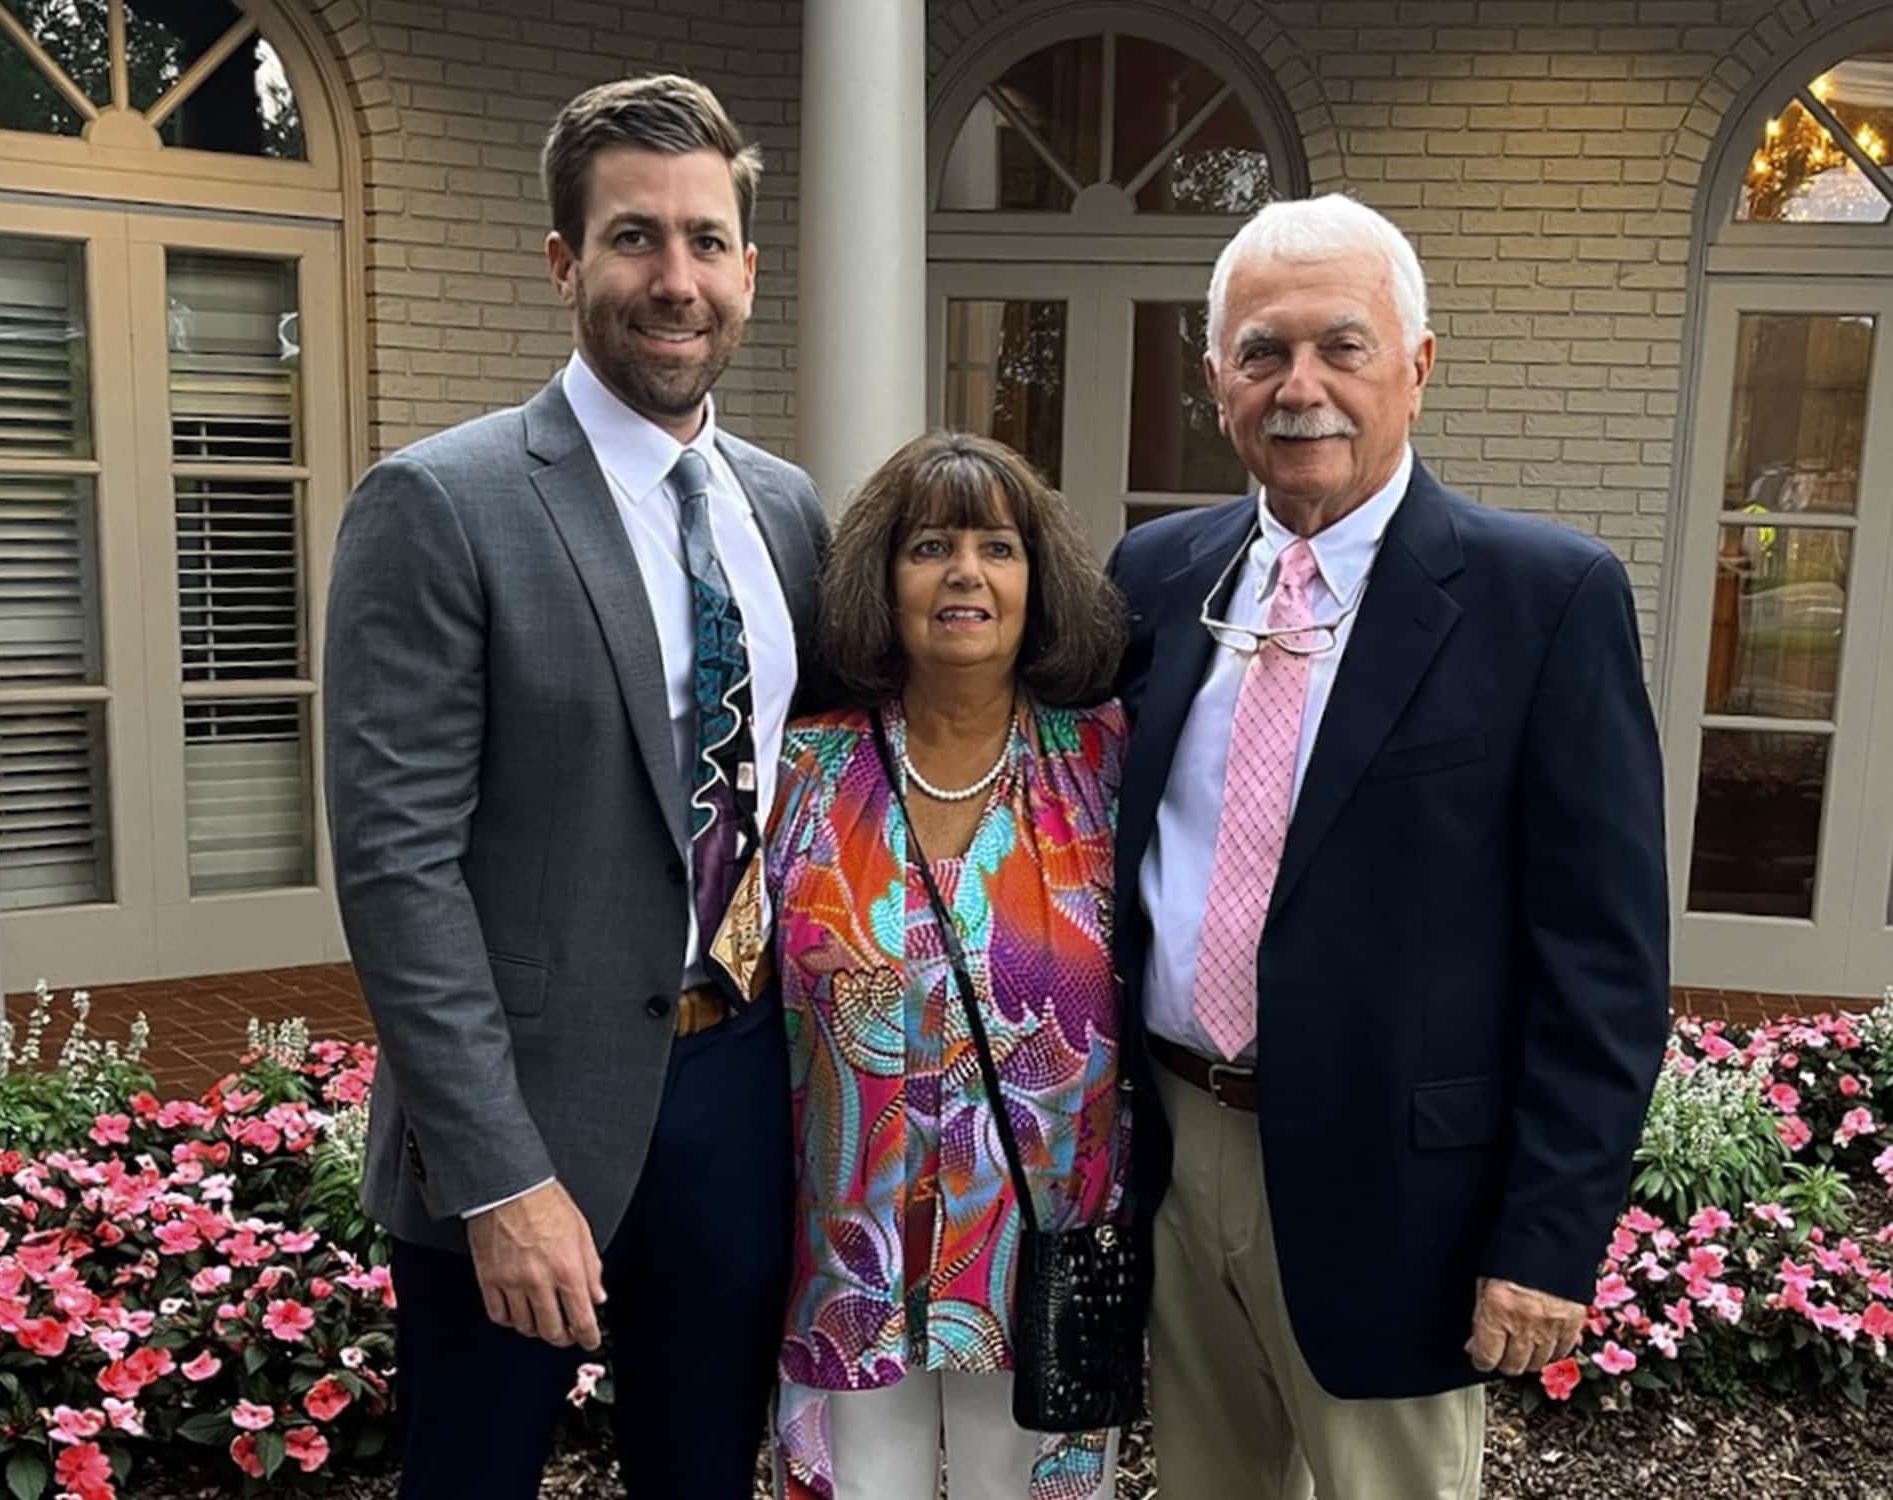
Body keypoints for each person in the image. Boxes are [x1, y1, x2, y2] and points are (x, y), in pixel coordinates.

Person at [1108, 193, 1670, 1500]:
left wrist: (1548, 1235)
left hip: (1400, 1195)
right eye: (1262, 352)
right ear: (1215, 381)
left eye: (1341, 346)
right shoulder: (1152, 576)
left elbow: (1606, 959)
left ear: (1418, 365)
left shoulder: (1544, 598)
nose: (1300, 387)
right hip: (1180, 1157)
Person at [323, 74, 828, 1500]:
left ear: (748, 265)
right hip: (519, 1114)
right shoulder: (442, 503)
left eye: (706, 240)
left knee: (701, 1476)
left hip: (736, 1085)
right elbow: (396, 866)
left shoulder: (784, 509)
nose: (676, 281)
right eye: (633, 239)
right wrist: (496, 1177)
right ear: (564, 262)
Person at [765, 432, 1131, 1500]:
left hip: (1043, 1273)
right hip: (843, 1270)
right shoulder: (801, 773)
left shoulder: (1107, 763)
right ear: (883, 580)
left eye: (997, 547)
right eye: (929, 545)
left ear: (1038, 581)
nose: (964, 571)